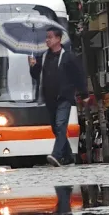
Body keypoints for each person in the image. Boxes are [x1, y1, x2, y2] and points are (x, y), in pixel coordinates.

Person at [29, 27, 89, 167]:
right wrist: (33, 67)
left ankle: (56, 155)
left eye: (50, 37)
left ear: (58, 39)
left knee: (61, 125)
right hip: (49, 99)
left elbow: (78, 76)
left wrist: (84, 94)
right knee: (56, 128)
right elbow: (37, 77)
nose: (47, 40)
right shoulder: (43, 57)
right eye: (47, 37)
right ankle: (68, 157)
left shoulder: (68, 56)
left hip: (64, 98)